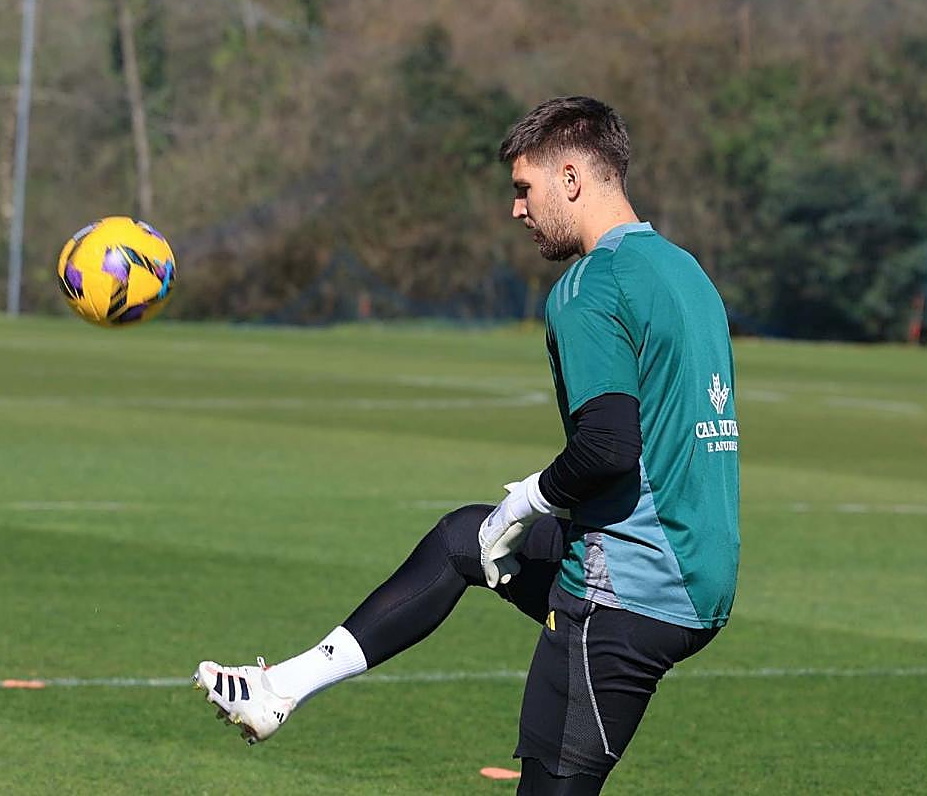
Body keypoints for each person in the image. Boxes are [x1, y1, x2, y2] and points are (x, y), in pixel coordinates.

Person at [193, 96, 740, 795]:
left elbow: (608, 447)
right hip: (700, 573)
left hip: (627, 591)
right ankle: (284, 688)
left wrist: (529, 501)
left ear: (571, 178)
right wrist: (515, 519)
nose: (516, 209)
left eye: (524, 189)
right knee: (463, 539)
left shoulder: (590, 286)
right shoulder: (685, 272)